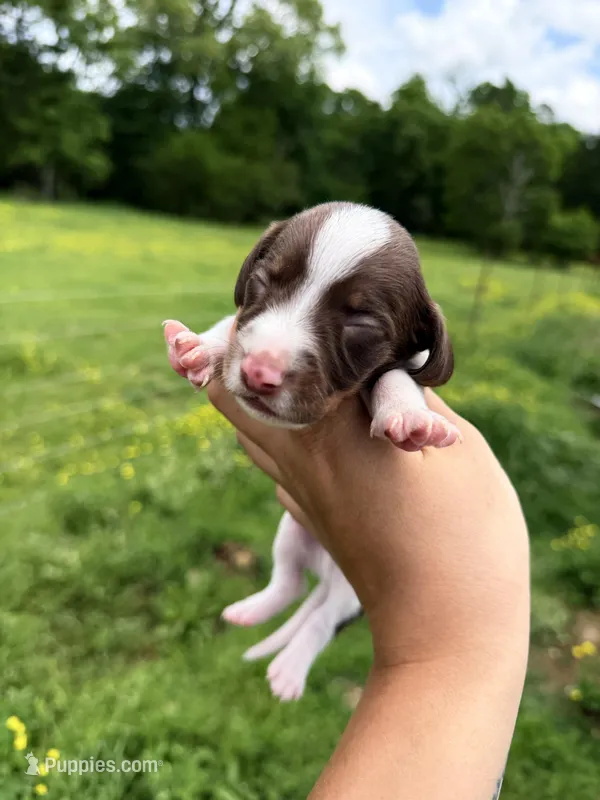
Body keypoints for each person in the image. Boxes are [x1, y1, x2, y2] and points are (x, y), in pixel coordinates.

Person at [165, 321, 530, 800]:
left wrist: (401, 410)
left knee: (339, 594)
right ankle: (284, 585)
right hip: (326, 521)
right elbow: (239, 324)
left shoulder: (393, 348)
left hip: (401, 532)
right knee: (292, 532)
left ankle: (311, 630)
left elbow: (397, 376)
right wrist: (206, 346)